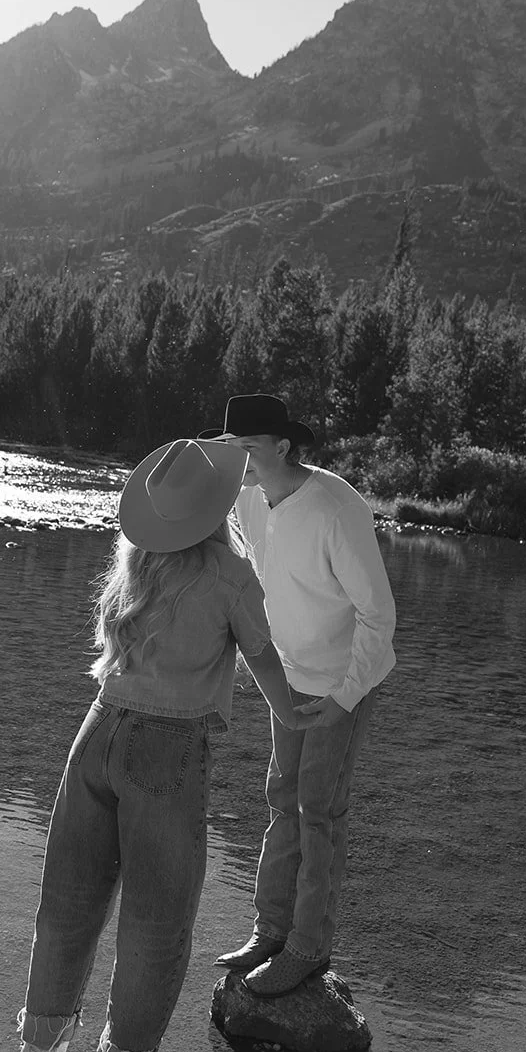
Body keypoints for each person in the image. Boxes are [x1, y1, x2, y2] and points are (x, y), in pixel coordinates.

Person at [8, 436, 300, 1052]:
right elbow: (268, 672)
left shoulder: (133, 560)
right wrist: (308, 713)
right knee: (156, 924)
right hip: (167, 752)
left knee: (70, 901)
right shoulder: (231, 574)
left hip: (97, 729)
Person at [203, 394, 397, 997]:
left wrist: (343, 699)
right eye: (231, 449)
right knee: (280, 799)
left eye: (249, 449)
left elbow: (379, 617)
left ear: (283, 448)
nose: (239, 461)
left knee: (319, 812)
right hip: (286, 679)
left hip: (340, 685)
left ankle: (308, 950)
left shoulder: (337, 508)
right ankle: (271, 931)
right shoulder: (245, 495)